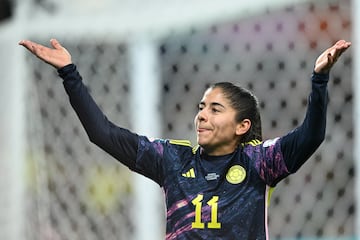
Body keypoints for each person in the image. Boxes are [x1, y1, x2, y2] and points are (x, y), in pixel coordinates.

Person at [19, 38, 351, 239]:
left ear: (242, 126)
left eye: (216, 109)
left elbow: (310, 137)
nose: (202, 115)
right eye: (202, 107)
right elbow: (102, 133)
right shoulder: (173, 160)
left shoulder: (258, 163)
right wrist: (69, 73)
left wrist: (318, 82)